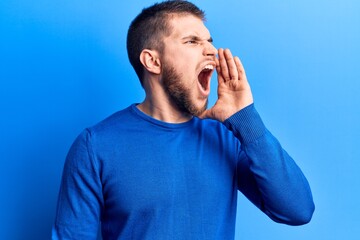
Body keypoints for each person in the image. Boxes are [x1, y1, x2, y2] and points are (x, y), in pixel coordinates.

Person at [52, 1, 315, 239]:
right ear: (152, 61)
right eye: (192, 41)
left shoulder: (225, 137)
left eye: (209, 41)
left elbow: (297, 210)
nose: (212, 50)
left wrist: (246, 118)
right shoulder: (95, 146)